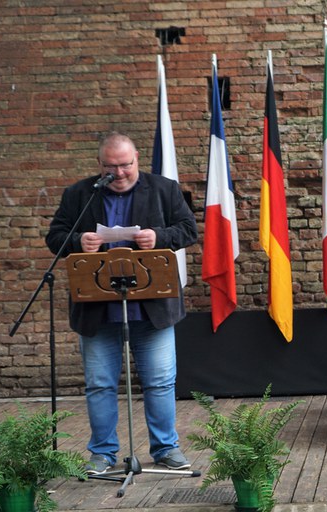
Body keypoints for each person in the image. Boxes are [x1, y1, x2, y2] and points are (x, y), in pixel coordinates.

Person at [46, 132, 198, 474]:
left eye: (125, 165)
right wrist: (78, 240)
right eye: (110, 166)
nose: (118, 173)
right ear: (99, 164)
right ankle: (102, 453)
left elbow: (188, 230)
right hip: (97, 310)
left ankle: (166, 448)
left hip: (152, 308)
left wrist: (159, 236)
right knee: (100, 384)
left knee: (160, 382)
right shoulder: (79, 194)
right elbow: (55, 237)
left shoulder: (164, 189)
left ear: (137, 159)